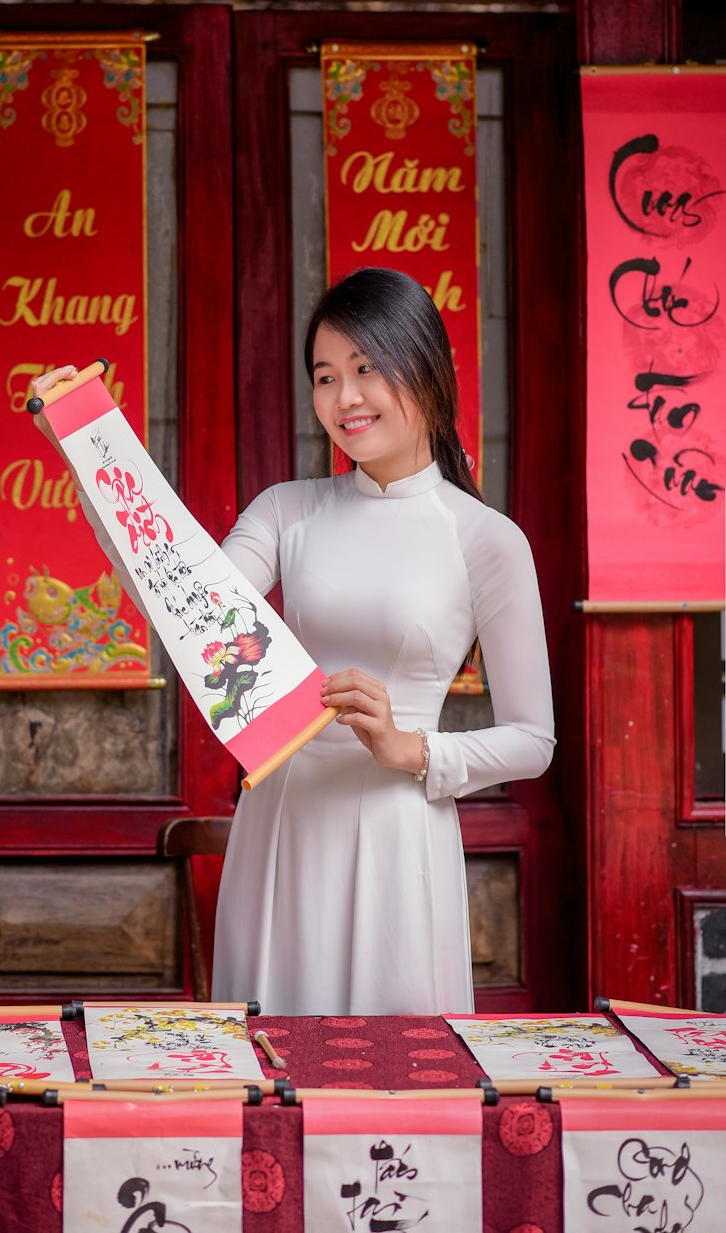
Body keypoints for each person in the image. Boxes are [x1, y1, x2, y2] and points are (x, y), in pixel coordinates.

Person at [34, 266, 554, 1015]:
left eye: (367, 369)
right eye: (325, 376)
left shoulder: (487, 540)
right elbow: (182, 598)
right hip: (280, 821)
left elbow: (533, 740)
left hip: (395, 834)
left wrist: (417, 749)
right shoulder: (289, 511)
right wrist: (92, 456)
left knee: (390, 1077)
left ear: (429, 373)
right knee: (274, 1064)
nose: (345, 399)